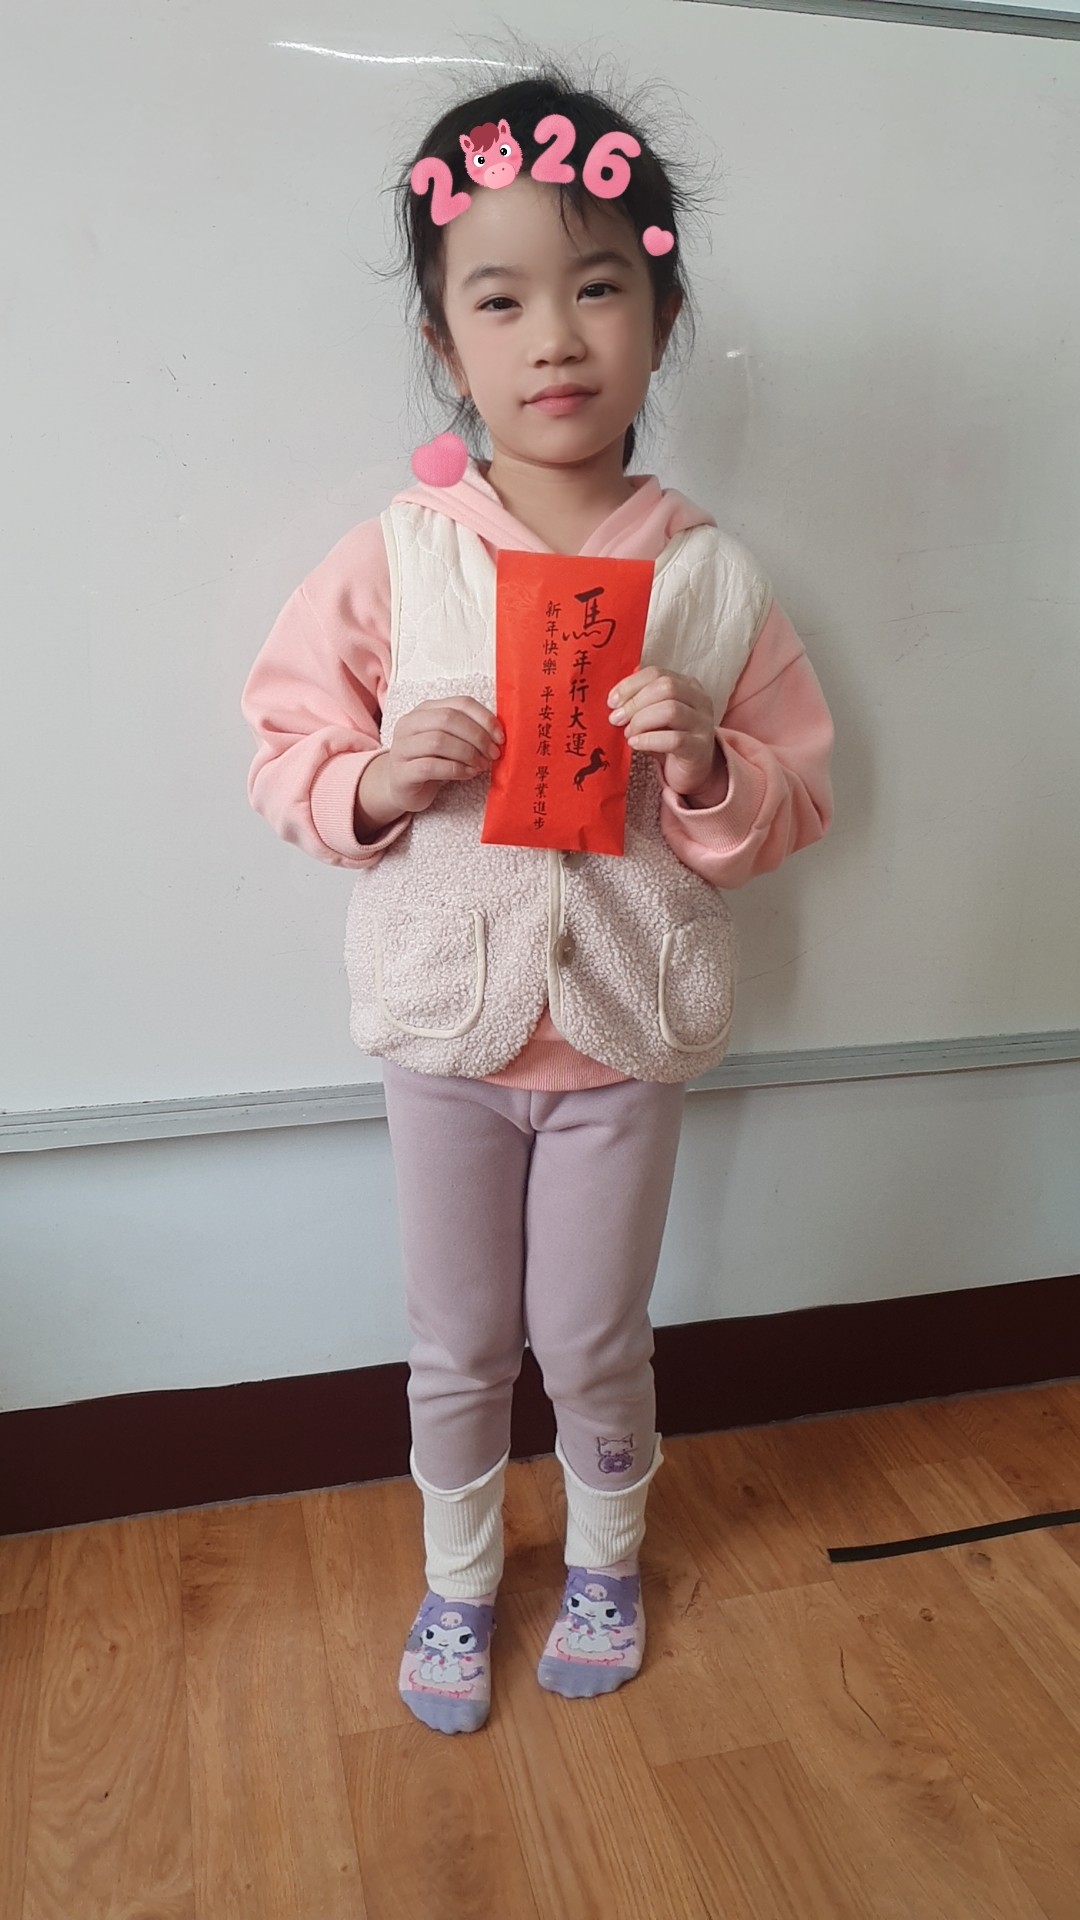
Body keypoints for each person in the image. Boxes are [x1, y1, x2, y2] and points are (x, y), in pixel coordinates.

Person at [240, 62, 835, 1737]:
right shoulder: (397, 555)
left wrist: (707, 761)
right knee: (456, 1342)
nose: (554, 338)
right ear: (445, 341)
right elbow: (285, 745)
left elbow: (797, 797)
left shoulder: (709, 576)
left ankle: (605, 1555)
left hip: (624, 1039)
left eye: (598, 288)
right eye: (499, 299)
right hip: (444, 1032)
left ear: (662, 316)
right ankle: (455, 1579)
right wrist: (376, 779)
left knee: (589, 1336)